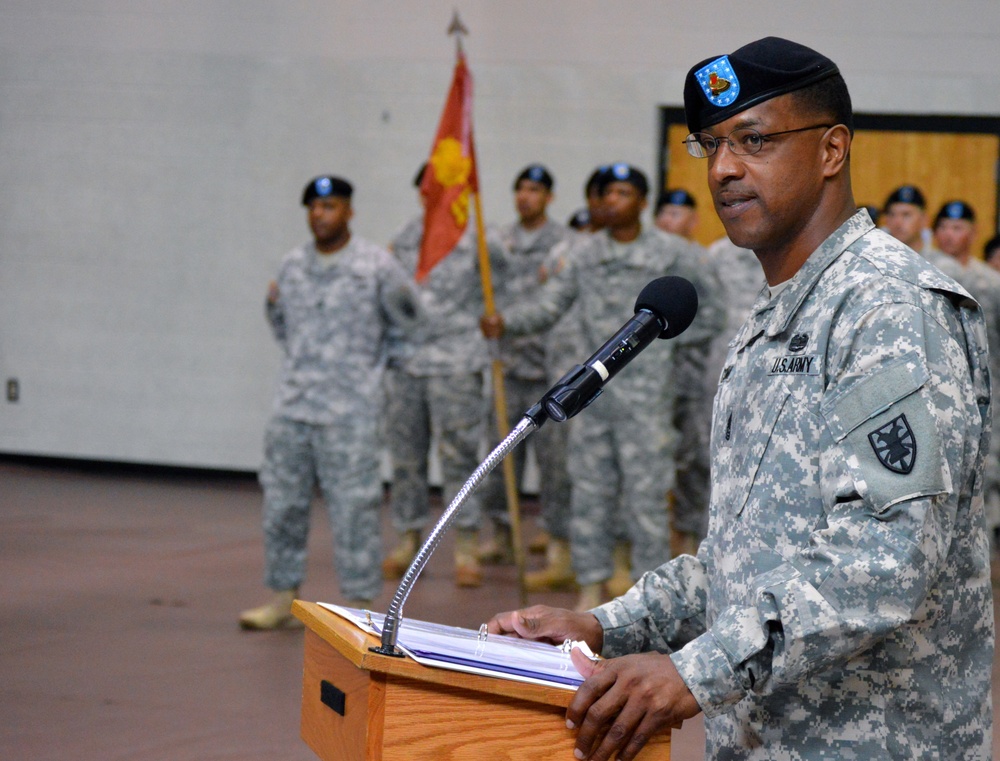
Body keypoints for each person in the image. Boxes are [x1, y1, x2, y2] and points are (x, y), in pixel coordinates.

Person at [488, 37, 994, 761]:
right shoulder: (773, 320)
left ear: (831, 150)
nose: (724, 169)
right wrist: (603, 625)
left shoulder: (887, 306)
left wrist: (693, 669)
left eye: (754, 140)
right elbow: (742, 559)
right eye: (712, 146)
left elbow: (885, 563)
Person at [481, 163, 722, 611]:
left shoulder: (675, 254)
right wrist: (506, 323)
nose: (613, 201)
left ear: (642, 202)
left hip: (646, 403)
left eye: (624, 193)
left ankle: (646, 602)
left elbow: (711, 314)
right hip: (592, 400)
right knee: (590, 495)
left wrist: (664, 344)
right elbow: (552, 304)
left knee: (646, 502)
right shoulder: (585, 254)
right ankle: (589, 591)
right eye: (607, 193)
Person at [239, 175, 421, 630]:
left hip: (350, 413)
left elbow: (411, 323)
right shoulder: (292, 265)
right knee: (282, 506)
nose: (321, 215)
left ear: (349, 211)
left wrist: (371, 373)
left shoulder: (376, 265)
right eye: (315, 208)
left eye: (331, 206)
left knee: (354, 511)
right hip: (293, 407)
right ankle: (283, 596)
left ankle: (361, 609)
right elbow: (280, 324)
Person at [381, 167, 508, 588]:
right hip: (408, 364)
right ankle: (408, 537)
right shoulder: (403, 238)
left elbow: (501, 282)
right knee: (406, 457)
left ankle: (466, 543)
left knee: (459, 458)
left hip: (456, 363)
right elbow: (390, 294)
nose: (434, 196)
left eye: (444, 189)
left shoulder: (477, 238)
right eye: (428, 189)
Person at [477, 164, 575, 567]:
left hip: (550, 372)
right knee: (501, 461)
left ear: (549, 197)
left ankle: (556, 540)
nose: (525, 197)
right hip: (508, 367)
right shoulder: (498, 242)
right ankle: (501, 534)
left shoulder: (564, 245)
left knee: (554, 468)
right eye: (520, 189)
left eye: (534, 190)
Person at [882, 184, 932, 253]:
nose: (897, 222)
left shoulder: (940, 263)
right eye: (892, 215)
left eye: (906, 215)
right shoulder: (873, 260)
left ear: (923, 220)